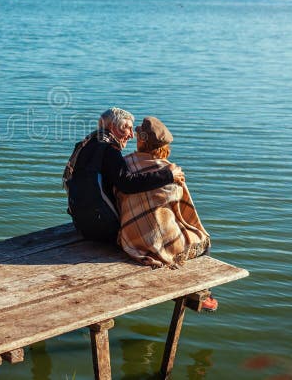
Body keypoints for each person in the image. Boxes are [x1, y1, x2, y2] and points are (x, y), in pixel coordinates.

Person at [115, 116, 217, 311]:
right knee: (202, 239)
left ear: (142, 140)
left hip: (130, 237)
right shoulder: (172, 171)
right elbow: (185, 211)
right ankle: (202, 293)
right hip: (158, 240)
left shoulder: (124, 166)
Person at [63, 108, 184, 243]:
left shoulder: (89, 143)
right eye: (128, 128)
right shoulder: (109, 150)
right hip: (103, 230)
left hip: (82, 224)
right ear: (113, 127)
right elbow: (128, 184)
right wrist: (168, 175)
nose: (132, 135)